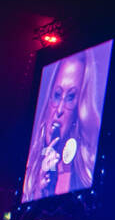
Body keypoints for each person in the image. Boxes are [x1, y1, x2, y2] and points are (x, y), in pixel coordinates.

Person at [22, 51, 103, 203]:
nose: (59, 110)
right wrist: (40, 190)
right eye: (57, 95)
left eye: (71, 97)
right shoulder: (30, 172)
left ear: (81, 107)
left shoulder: (86, 173)